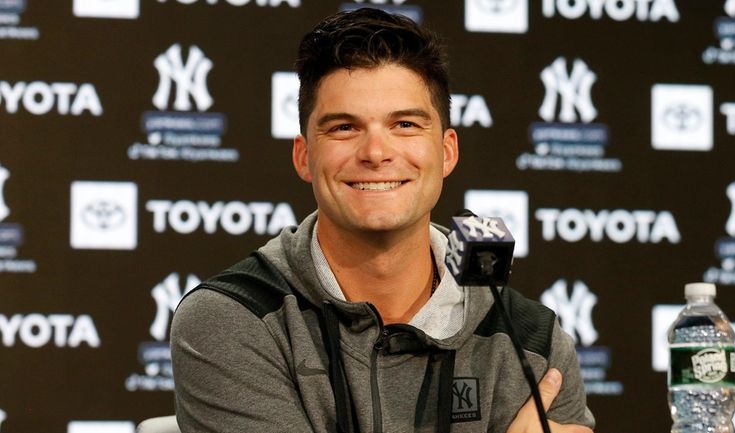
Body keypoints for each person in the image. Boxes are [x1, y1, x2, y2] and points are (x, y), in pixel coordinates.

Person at [171, 7, 595, 433]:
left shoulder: (532, 344)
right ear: (304, 156)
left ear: (447, 152)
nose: (376, 153)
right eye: (343, 128)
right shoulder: (234, 318)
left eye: (405, 124)